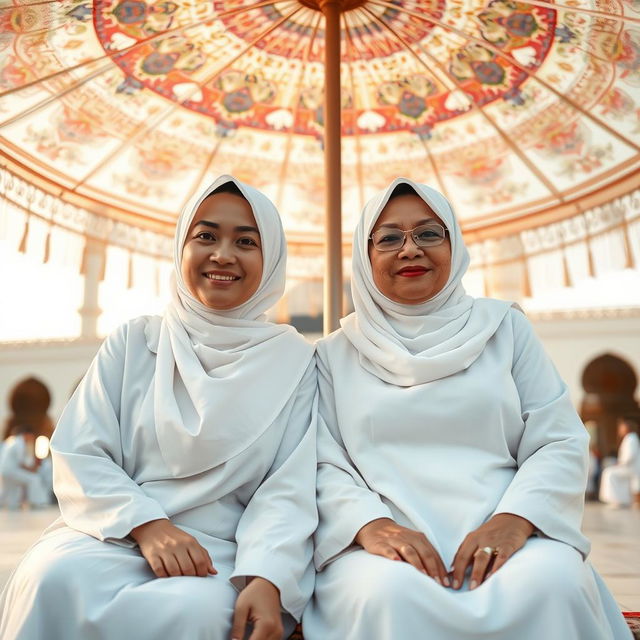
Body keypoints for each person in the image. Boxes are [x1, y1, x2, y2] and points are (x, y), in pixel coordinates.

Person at [302, 178, 631, 639]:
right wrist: (370, 525)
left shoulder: (506, 329)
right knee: (386, 595)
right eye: (390, 238)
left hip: (511, 533)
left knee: (554, 583)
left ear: (454, 244)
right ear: (364, 255)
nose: (410, 249)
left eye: (429, 233)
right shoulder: (334, 355)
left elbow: (557, 438)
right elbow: (320, 459)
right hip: (383, 546)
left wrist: (515, 521)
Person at [0, 175, 317, 640]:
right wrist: (148, 525)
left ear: (270, 260)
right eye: (206, 235)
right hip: (116, 532)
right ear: (181, 247)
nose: (223, 254)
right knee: (51, 579)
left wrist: (266, 577)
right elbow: (82, 452)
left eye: (246, 241)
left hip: (226, 556)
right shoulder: (135, 343)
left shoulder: (295, 362)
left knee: (197, 614)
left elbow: (288, 490)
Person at [0, 425, 48, 510]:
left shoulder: (11, 440)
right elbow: (20, 462)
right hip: (12, 471)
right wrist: (32, 470)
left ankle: (12, 506)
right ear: (26, 434)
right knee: (34, 479)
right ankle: (36, 502)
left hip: (4, 471)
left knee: (10, 491)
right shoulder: (20, 442)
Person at [600, 416, 640, 507]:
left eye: (622, 427)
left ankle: (616, 500)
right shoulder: (629, 438)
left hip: (630, 468)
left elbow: (630, 456)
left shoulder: (631, 438)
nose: (620, 430)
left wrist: (619, 463)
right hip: (628, 467)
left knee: (609, 473)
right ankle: (618, 499)